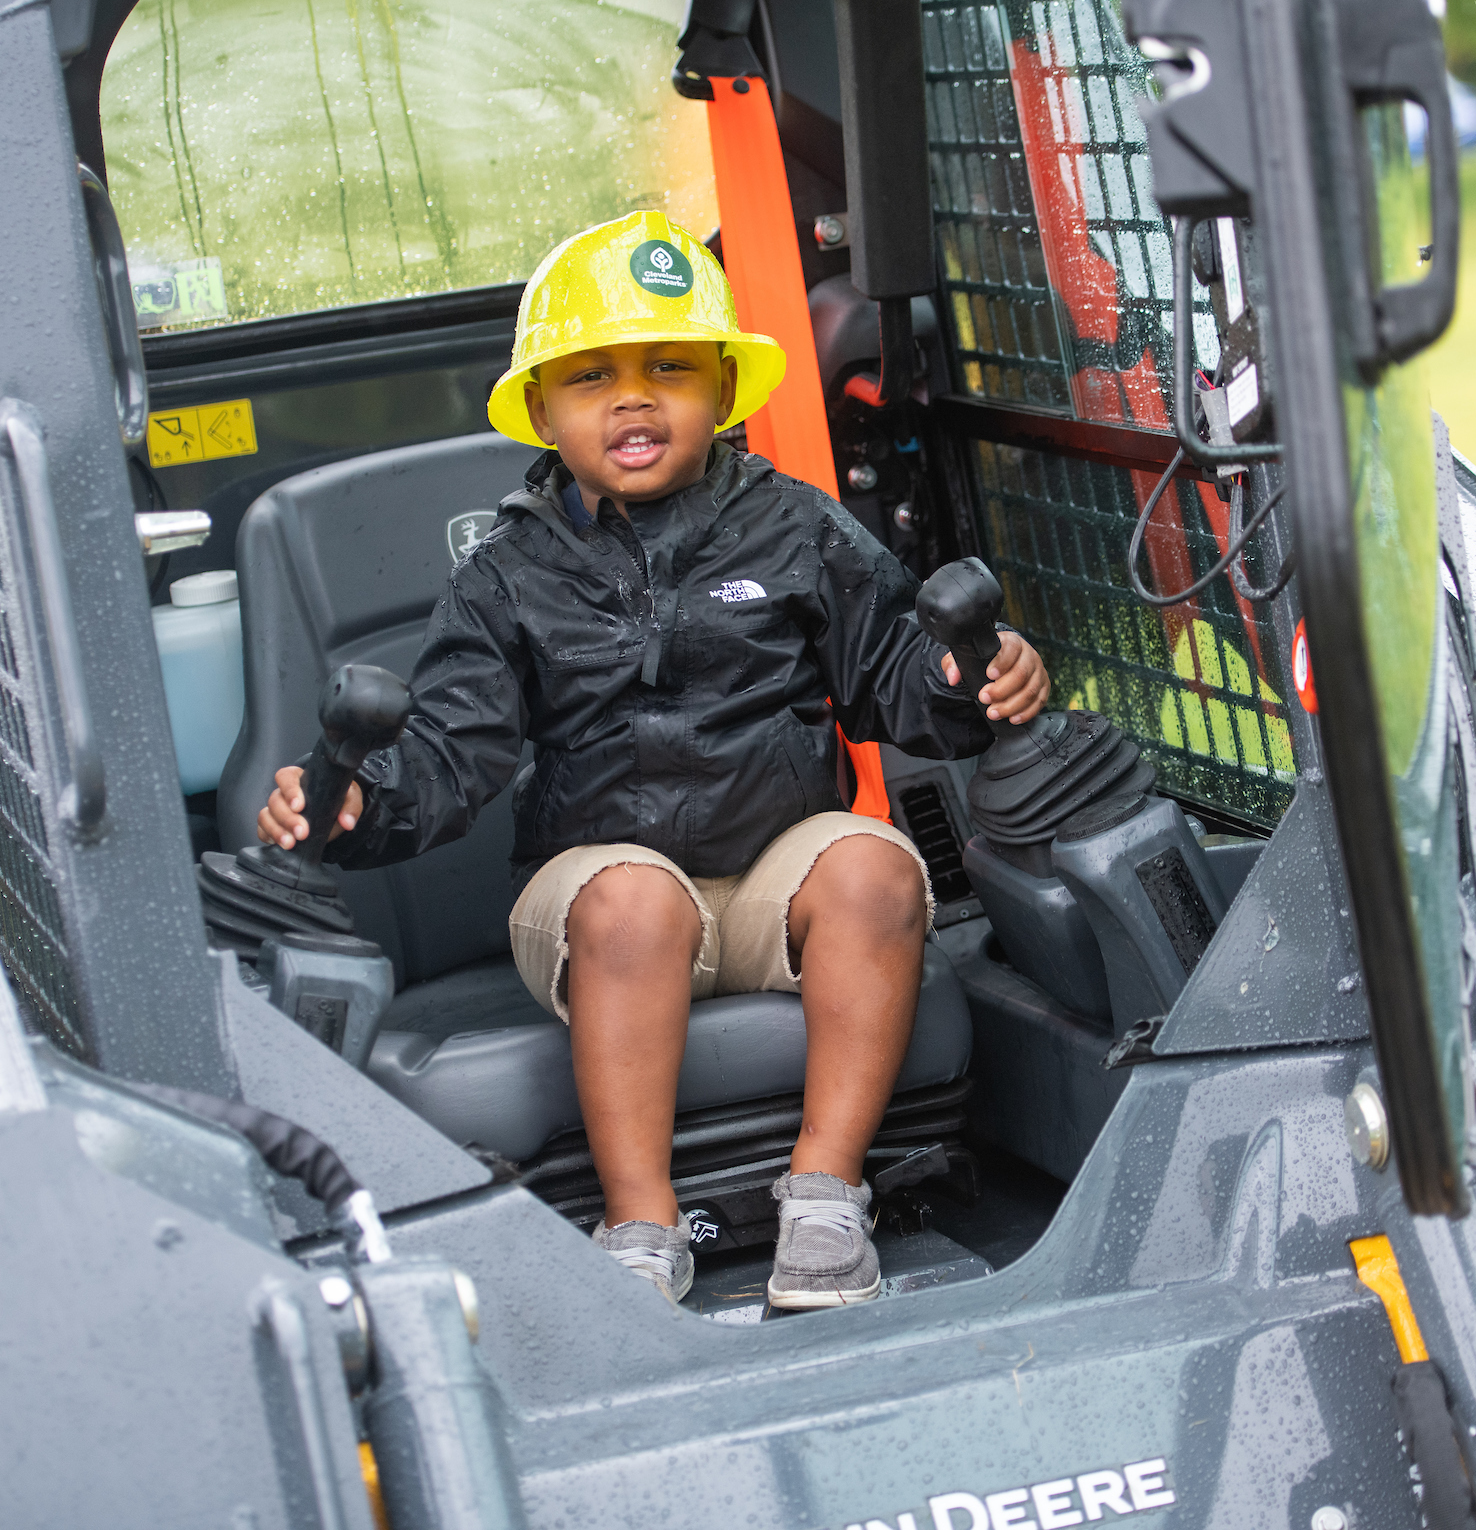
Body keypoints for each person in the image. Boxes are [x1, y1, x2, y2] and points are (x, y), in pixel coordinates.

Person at [257, 211, 1047, 1310]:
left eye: (669, 368)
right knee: (633, 901)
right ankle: (641, 1223)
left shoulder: (794, 527)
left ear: (723, 390)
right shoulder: (507, 575)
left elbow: (893, 674)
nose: (633, 399)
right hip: (600, 894)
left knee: (876, 867)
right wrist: (356, 809)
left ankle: (823, 1196)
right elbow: (450, 750)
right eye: (591, 378)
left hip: (775, 877)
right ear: (541, 410)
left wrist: (973, 679)